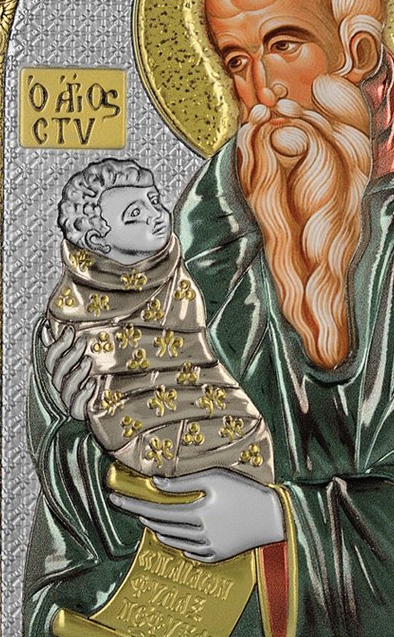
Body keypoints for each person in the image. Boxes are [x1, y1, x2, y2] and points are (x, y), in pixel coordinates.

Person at [30, 0, 394, 637]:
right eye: (237, 62)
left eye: (285, 45)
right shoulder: (207, 224)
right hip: (193, 612)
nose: (262, 93)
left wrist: (276, 522)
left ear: (358, 53)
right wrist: (83, 414)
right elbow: (134, 435)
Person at [43, 156, 274, 480]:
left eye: (154, 200)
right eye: (134, 215)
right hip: (142, 433)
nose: (156, 215)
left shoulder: (175, 269)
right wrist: (69, 414)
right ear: (97, 241)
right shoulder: (78, 310)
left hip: (217, 404)